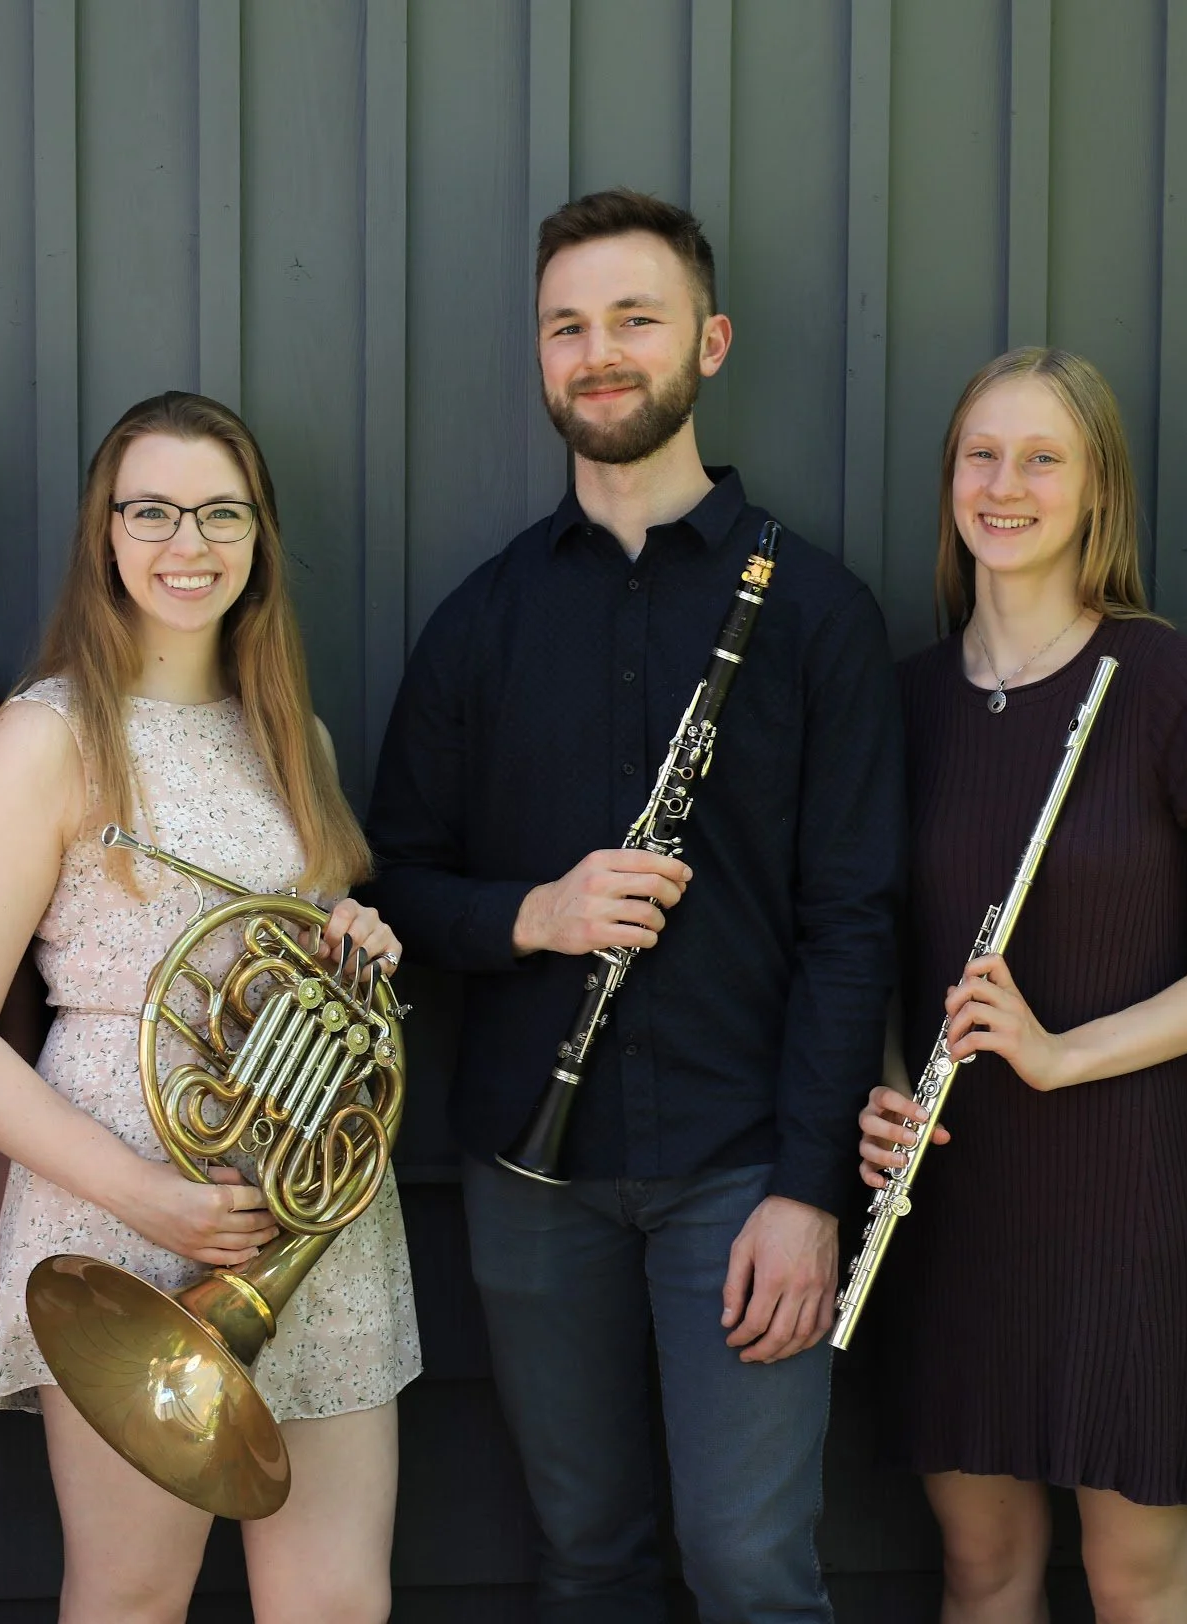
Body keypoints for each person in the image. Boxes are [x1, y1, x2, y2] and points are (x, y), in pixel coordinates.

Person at [362, 188, 900, 1623]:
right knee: (586, 1562)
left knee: (749, 1568)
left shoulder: (818, 614)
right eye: (568, 327)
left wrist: (807, 1190)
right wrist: (530, 915)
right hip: (531, 1184)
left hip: (742, 1169)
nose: (599, 353)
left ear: (709, 342)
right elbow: (393, 888)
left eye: (635, 320)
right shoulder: (478, 622)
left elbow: (856, 925)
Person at [0, 390, 418, 1624]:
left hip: (314, 1225)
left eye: (222, 512)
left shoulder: (298, 739)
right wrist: (146, 1197)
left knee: (338, 1604)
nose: (190, 542)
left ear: (260, 538)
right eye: (154, 511)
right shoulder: (48, 735)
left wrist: (356, 948)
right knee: (132, 1599)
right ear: (105, 534)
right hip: (121, 1197)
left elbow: (297, 965)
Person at [853, 348, 1187, 1624]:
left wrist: (1061, 1052)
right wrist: (885, 1089)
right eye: (981, 456)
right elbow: (871, 947)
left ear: (1098, 488)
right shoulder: (902, 703)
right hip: (953, 1195)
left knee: (1136, 1577)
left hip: (1128, 1196)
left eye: (1044, 457)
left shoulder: (1171, 685)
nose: (1007, 485)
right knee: (982, 1570)